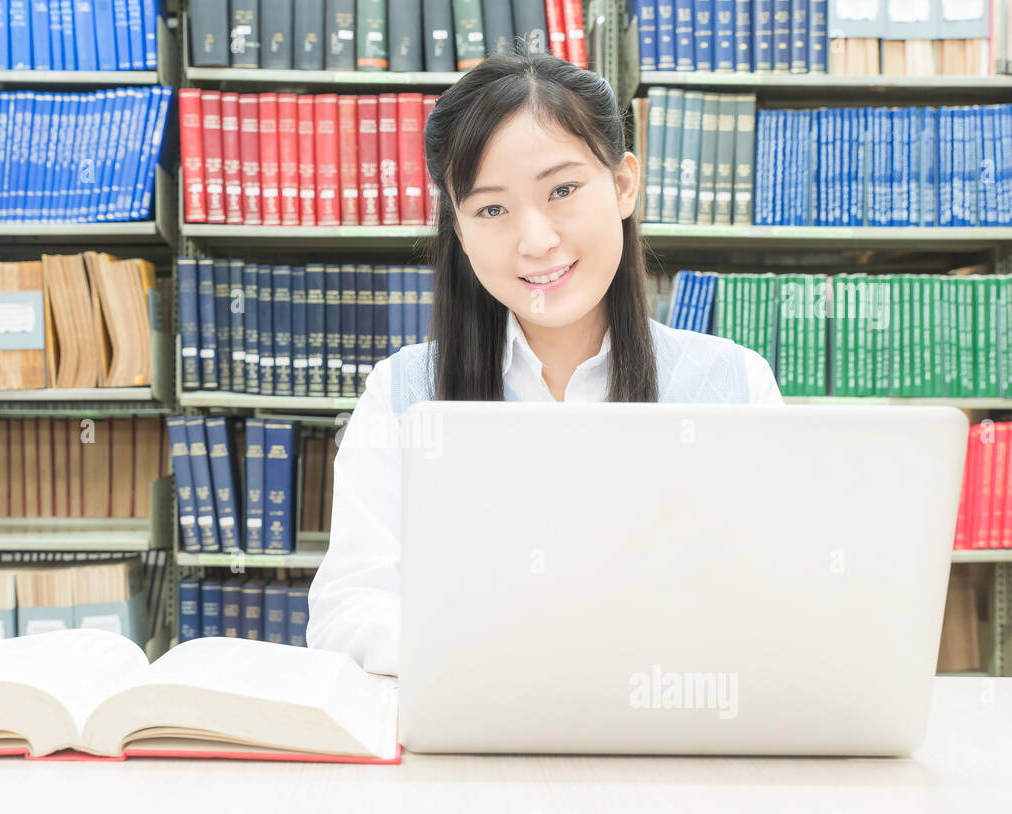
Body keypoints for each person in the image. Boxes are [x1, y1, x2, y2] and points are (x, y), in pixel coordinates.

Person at [305, 50, 784, 677]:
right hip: (469, 737)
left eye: (562, 190)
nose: (535, 241)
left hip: (672, 740)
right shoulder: (403, 392)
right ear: (458, 226)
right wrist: (499, 657)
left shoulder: (733, 386)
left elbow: (773, 606)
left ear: (622, 185)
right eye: (491, 209)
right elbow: (349, 608)